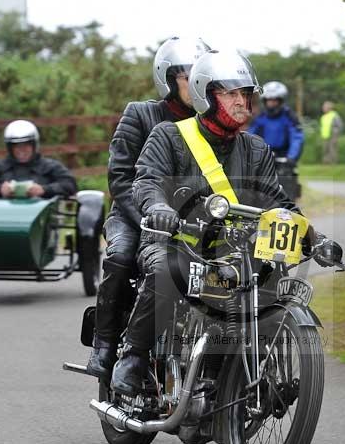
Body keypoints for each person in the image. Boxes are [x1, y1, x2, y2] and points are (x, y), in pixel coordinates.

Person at [110, 49, 311, 396]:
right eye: (231, 94)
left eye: (246, 94)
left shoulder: (257, 150)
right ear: (205, 93)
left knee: (270, 277)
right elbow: (146, 181)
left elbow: (276, 201)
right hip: (177, 242)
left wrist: (311, 234)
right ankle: (134, 357)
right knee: (165, 268)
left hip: (233, 251)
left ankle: (224, 375)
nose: (242, 102)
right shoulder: (168, 136)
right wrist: (158, 207)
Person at [85, 36, 211, 379]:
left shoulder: (210, 126)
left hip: (190, 221)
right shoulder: (140, 114)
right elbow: (121, 179)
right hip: (133, 215)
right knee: (122, 255)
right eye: (188, 76)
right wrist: (147, 217)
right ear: (170, 79)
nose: (197, 84)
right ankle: (106, 342)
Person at [0, 120, 77, 199]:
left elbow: (70, 185)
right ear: (10, 148)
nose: (22, 150)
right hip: (6, 218)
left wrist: (44, 190)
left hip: (43, 220)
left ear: (34, 145)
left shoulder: (51, 166)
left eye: (26, 145)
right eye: (16, 146)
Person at [248, 81, 304, 167]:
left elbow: (296, 137)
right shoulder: (259, 118)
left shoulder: (290, 117)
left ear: (281, 101)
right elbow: (250, 137)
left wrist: (292, 157)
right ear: (265, 101)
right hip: (263, 158)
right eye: (269, 100)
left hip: (284, 158)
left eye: (274, 100)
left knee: (288, 178)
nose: (271, 103)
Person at [320, 101, 343, 165]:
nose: (323, 108)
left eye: (324, 107)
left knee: (332, 149)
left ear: (329, 108)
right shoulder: (323, 116)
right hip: (325, 136)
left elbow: (339, 125)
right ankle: (326, 163)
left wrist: (336, 134)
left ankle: (333, 163)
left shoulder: (334, 115)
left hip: (333, 135)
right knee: (325, 150)